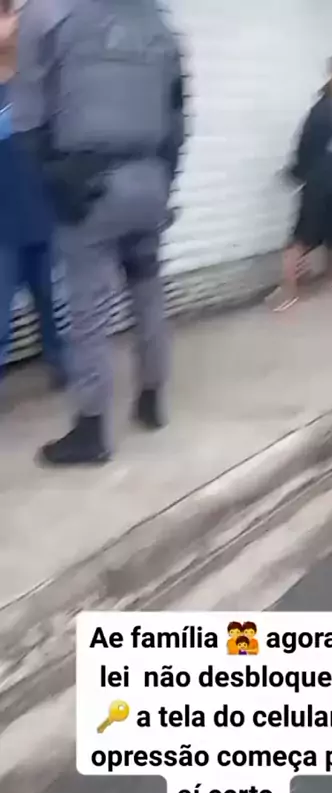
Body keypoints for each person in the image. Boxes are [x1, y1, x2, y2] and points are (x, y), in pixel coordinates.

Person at [11, 0, 185, 465]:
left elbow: (26, 116)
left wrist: (52, 179)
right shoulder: (158, 22)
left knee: (88, 309)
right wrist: (163, 181)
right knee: (147, 291)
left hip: (88, 184)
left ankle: (91, 431)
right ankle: (152, 398)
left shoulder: (48, 13)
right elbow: (177, 119)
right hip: (148, 179)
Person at [0, 0, 65, 388]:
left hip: (42, 214)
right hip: (3, 225)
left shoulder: (35, 79)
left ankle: (65, 369)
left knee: (51, 303)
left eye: (5, 14)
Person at [273, 48, 332, 312]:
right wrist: (297, 173)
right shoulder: (321, 110)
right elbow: (305, 147)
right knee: (301, 238)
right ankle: (288, 293)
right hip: (318, 184)